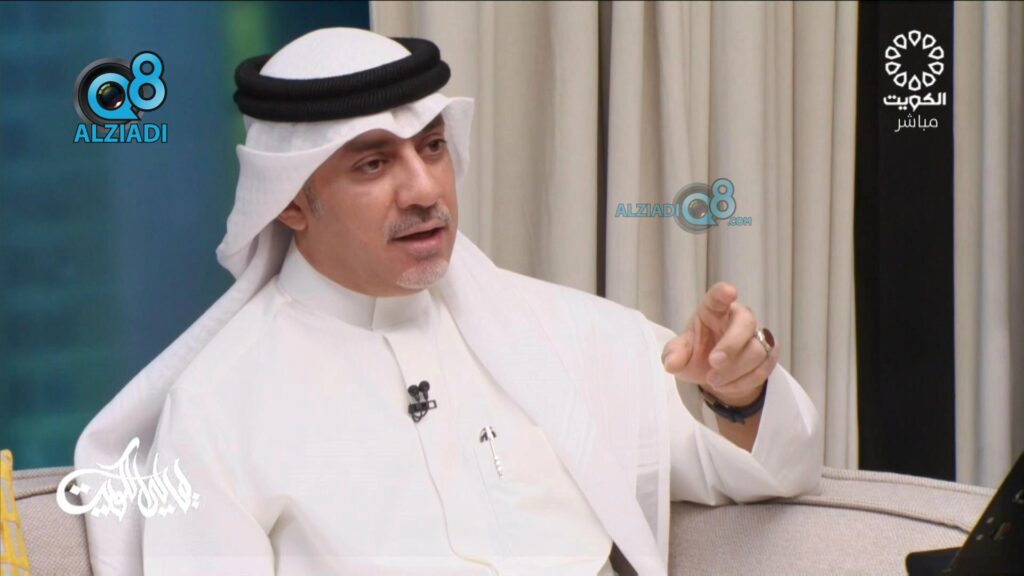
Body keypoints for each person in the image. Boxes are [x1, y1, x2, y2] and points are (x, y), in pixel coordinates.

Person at [74, 27, 822, 576]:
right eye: (374, 163)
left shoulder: (569, 334)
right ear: (291, 202)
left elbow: (765, 473)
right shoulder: (219, 406)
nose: (425, 189)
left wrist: (739, 395)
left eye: (431, 147)